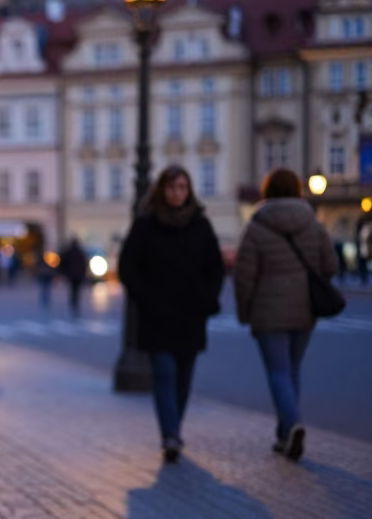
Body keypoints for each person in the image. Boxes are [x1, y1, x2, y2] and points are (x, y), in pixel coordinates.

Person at [117, 165, 225, 462]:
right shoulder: (146, 224)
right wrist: (145, 298)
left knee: (184, 377)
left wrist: (207, 297)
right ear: (162, 190)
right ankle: (170, 434)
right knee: (164, 374)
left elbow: (215, 267)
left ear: (188, 191)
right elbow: (128, 267)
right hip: (157, 315)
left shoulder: (200, 224)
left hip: (191, 314)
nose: (177, 193)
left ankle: (174, 427)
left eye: (182, 188)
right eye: (172, 188)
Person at [234, 168, 338, 461]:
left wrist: (245, 311)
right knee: (292, 369)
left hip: (268, 312)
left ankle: (292, 424)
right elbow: (330, 265)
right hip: (305, 308)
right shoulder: (313, 224)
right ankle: (284, 434)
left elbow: (244, 275)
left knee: (278, 371)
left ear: (268, 191)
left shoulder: (256, 226)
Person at [58, 238, 88, 317]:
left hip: (71, 274)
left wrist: (63, 272)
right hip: (77, 275)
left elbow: (63, 263)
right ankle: (75, 303)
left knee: (73, 289)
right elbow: (84, 264)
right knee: (76, 290)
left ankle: (73, 302)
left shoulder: (69, 252)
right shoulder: (79, 252)